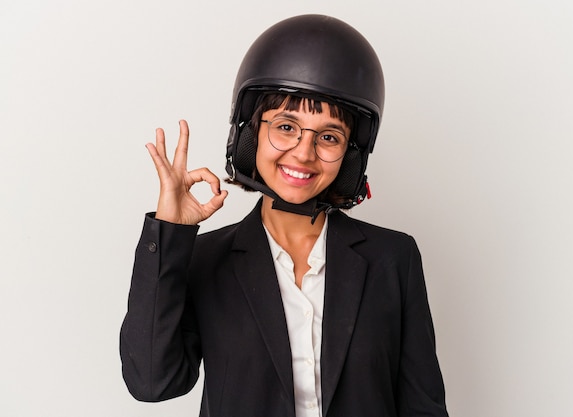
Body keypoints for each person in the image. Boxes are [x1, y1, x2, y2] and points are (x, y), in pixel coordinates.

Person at [120, 14, 449, 417]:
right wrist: (168, 234)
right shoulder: (204, 260)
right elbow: (152, 382)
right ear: (250, 134)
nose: (304, 152)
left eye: (328, 137)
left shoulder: (394, 258)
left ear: (350, 157)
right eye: (286, 126)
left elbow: (424, 407)